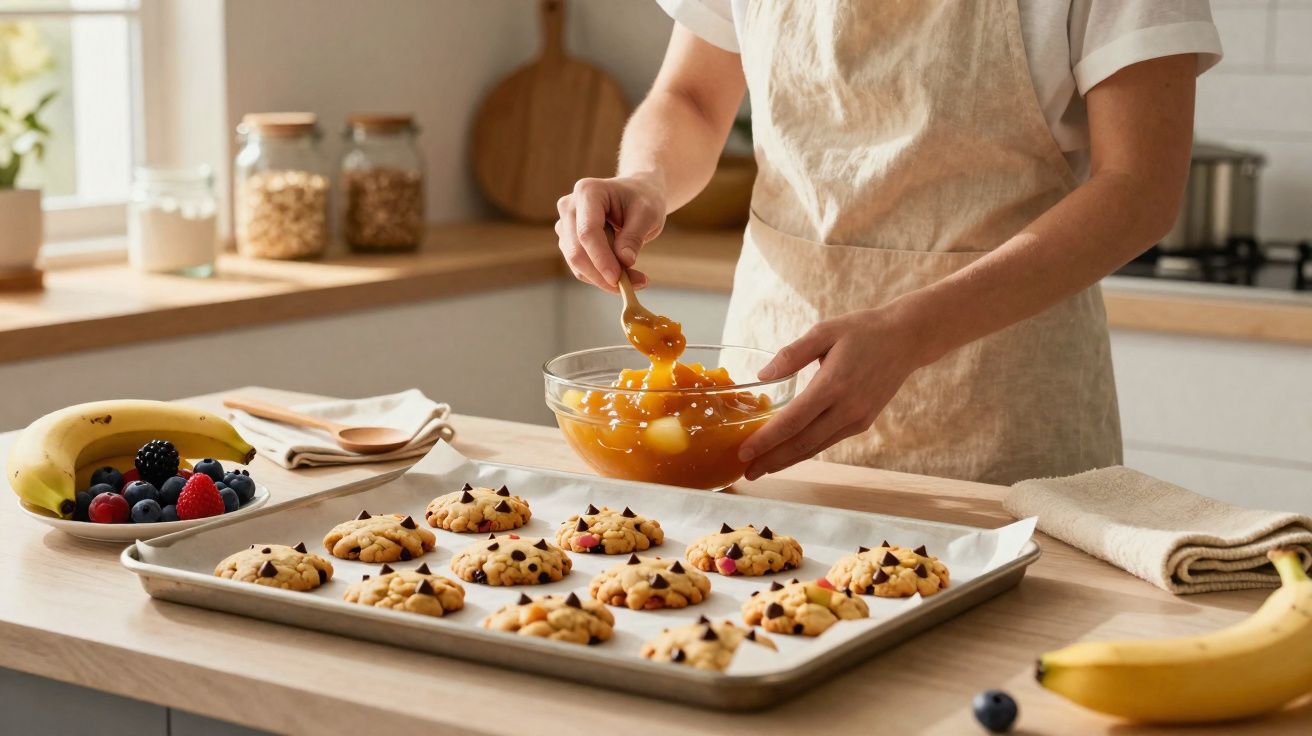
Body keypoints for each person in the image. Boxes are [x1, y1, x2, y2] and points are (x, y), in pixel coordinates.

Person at [553, 1, 1221, 485]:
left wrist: (910, 332)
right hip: (770, 404)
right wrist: (645, 178)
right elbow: (693, 97)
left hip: (1003, 416)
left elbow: (1139, 189)